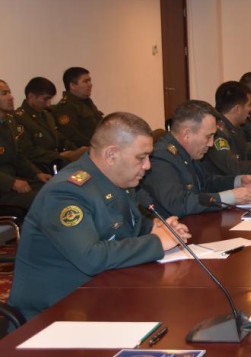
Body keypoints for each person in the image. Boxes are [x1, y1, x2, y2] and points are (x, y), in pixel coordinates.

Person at [8, 112, 191, 320]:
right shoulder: (66, 192)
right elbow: (91, 257)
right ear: (111, 155)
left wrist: (156, 227)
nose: (148, 165)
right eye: (141, 157)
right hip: (55, 313)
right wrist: (157, 242)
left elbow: (128, 226)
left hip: (100, 294)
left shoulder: (115, 180)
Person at [141, 100, 251, 218]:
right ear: (187, 134)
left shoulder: (188, 151)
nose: (211, 144)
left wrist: (239, 181)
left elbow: (206, 182)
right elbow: (178, 204)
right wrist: (230, 197)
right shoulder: (160, 157)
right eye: (208, 136)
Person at [15, 77, 86, 173]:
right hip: (40, 169)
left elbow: (60, 139)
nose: (48, 104)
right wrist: (59, 156)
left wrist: (77, 151)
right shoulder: (20, 118)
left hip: (57, 162)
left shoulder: (47, 115)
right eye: (45, 99)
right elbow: (28, 151)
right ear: (31, 97)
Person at [0, 80, 50, 217]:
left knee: (53, 189)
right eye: (4, 93)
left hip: (13, 181)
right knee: (43, 199)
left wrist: (37, 174)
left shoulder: (9, 122)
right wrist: (12, 183)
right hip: (4, 188)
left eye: (9, 92)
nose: (11, 97)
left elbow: (18, 157)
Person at [52, 67, 104, 147]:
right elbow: (71, 135)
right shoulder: (66, 106)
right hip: (84, 150)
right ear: (72, 85)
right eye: (85, 81)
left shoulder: (87, 102)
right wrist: (95, 146)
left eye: (89, 80)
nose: (90, 84)